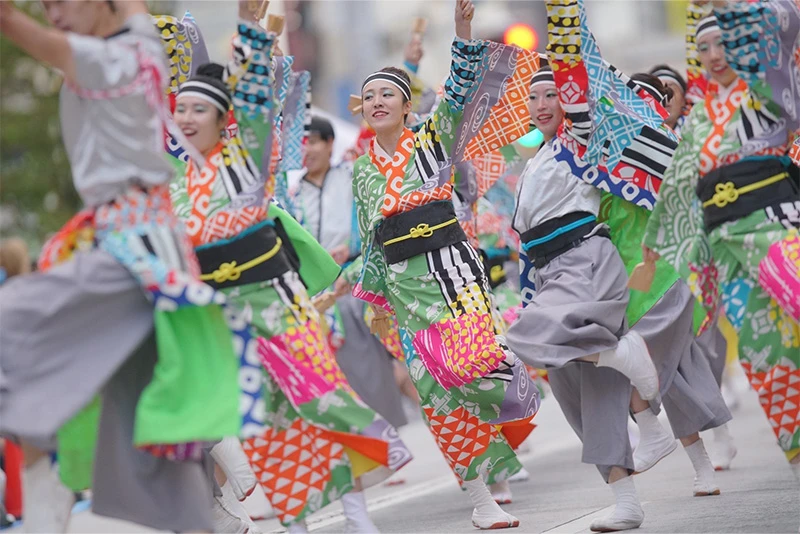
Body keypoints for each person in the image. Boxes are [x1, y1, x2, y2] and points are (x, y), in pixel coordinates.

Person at [0, 1, 246, 532]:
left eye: (61, 3)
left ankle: (46, 491)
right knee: (147, 420)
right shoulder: (142, 39)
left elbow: (11, 24)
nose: (53, 15)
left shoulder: (102, 59)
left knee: (12, 327)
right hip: (154, 252)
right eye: (45, 6)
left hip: (132, 254)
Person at [169, 5, 412, 531]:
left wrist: (253, 36)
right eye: (179, 110)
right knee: (270, 429)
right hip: (225, 322)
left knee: (321, 403)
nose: (185, 118)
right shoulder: (177, 188)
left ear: (221, 119)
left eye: (197, 109)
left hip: (278, 304)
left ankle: (356, 514)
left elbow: (256, 107)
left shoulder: (246, 164)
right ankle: (294, 523)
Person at [349, 0, 542, 528]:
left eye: (388, 93)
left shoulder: (433, 140)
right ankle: (481, 499)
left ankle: (520, 385)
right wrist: (368, 296)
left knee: (473, 367)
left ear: (408, 105)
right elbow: (370, 239)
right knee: (438, 398)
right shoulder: (363, 172)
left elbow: (458, 92)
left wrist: (461, 30)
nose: (377, 101)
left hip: (453, 275)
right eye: (369, 96)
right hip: (405, 290)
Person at [643, 0, 800, 498]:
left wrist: (732, 10)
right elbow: (675, 198)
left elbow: (784, 28)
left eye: (725, 41)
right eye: (705, 45)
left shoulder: (767, 91)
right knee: (765, 359)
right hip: (726, 249)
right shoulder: (696, 122)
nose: (714, 53)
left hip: (777, 229)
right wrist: (648, 269)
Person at [292, 116, 409, 429]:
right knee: (353, 368)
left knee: (401, 360)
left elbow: (372, 217)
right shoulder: (292, 194)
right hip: (325, 291)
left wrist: (352, 247)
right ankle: (378, 440)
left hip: (363, 276)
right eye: (302, 143)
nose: (308, 149)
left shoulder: (351, 176)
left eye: (314, 141)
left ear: (330, 143)